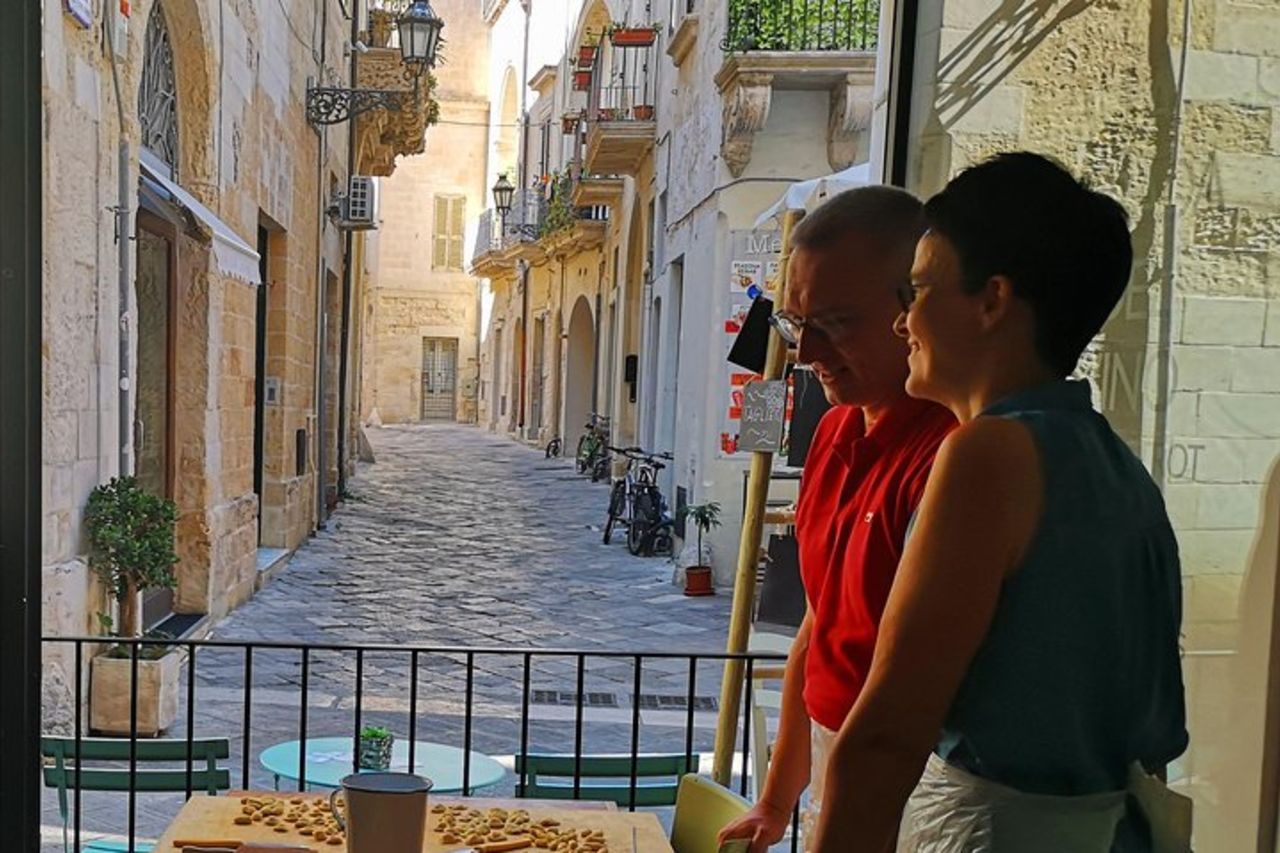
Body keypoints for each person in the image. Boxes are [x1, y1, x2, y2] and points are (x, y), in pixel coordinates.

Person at [811, 152, 1188, 852]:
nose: (904, 323)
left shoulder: (987, 455)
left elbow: (887, 738)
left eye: (919, 289)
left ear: (992, 300)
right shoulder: (1117, 468)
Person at [718, 187, 956, 852]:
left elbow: (900, 710)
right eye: (797, 324)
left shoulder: (955, 458)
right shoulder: (831, 435)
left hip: (913, 789)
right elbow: (817, 629)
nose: (805, 352)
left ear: (913, 312)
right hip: (835, 769)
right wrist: (774, 799)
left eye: (838, 323)